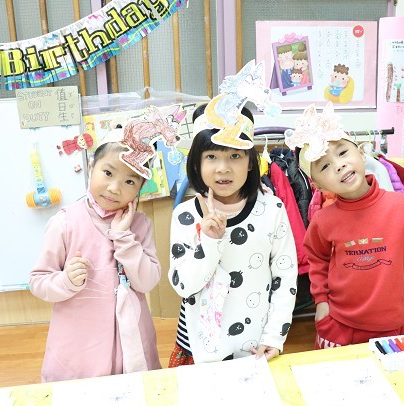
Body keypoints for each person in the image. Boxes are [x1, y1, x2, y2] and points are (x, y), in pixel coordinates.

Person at [285, 102, 404, 349]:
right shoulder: (323, 220)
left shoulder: (403, 207)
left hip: (387, 326)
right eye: (325, 166)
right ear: (318, 186)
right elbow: (317, 259)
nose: (338, 165)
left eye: (343, 153)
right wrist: (322, 302)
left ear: (361, 154)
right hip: (337, 323)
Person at [29, 121, 163, 382]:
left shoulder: (140, 225)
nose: (115, 188)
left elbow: (147, 282)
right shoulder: (65, 222)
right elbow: (38, 281)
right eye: (108, 173)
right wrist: (66, 280)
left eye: (129, 181)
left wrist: (124, 238)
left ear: (140, 187)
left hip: (131, 348)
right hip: (80, 351)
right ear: (92, 167)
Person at [168, 103, 297, 366]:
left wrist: (275, 335)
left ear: (250, 162)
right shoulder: (185, 215)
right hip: (199, 347)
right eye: (211, 156)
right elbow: (184, 286)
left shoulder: (272, 209)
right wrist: (210, 241)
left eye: (235, 156)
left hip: (255, 344)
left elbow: (285, 278)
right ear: (197, 163)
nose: (223, 168)